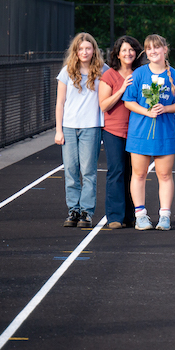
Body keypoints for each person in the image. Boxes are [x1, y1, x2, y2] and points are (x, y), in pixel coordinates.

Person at [123, 35, 175, 230]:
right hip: (140, 132)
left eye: (157, 48)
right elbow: (129, 101)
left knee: (165, 174)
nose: (153, 51)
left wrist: (165, 108)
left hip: (163, 132)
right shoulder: (138, 74)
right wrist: (147, 111)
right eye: (149, 48)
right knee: (139, 174)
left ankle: (165, 216)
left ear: (165, 50)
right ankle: (141, 215)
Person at [55, 32, 107, 228]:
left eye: (88, 48)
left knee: (88, 171)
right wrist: (58, 130)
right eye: (81, 49)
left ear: (94, 50)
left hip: (91, 127)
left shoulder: (102, 70)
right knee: (70, 170)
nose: (84, 52)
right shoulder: (67, 72)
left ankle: (86, 211)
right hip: (69, 127)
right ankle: (73, 209)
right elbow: (60, 103)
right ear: (75, 52)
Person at [98, 35, 144, 229]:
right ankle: (115, 216)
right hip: (114, 131)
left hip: (136, 130)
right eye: (124, 50)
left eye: (131, 50)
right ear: (117, 53)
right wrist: (121, 89)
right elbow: (103, 105)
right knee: (117, 171)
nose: (128, 53)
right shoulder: (109, 75)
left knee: (134, 173)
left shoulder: (141, 73)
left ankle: (131, 215)